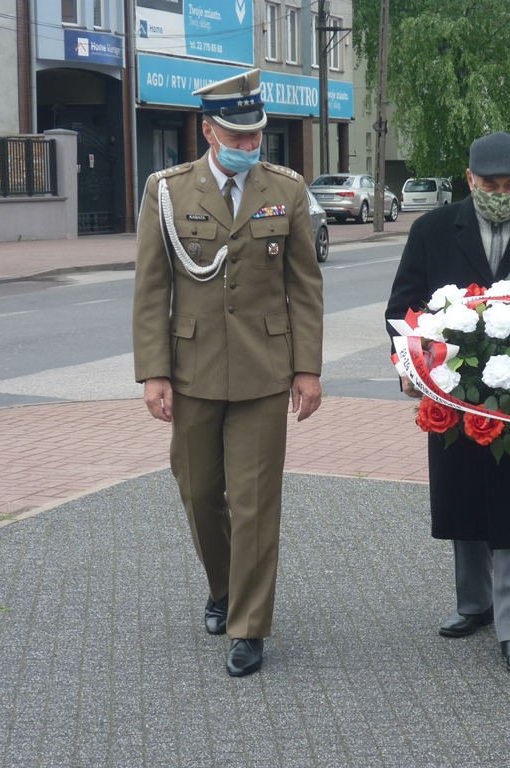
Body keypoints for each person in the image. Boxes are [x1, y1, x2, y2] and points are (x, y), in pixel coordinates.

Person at [132, 68, 324, 677]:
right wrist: (154, 373)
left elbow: (305, 287)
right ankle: (222, 585)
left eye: (256, 138)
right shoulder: (167, 190)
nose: (249, 148)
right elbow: (151, 287)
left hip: (266, 371)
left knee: (255, 503)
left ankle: (247, 626)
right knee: (197, 492)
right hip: (192, 370)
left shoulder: (287, 190)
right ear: (209, 131)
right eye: (237, 139)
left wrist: (307, 369)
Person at [385, 131, 510, 675]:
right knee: (464, 497)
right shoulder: (430, 231)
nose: (500, 192)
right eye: (489, 184)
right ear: (469, 180)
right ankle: (474, 603)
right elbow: (403, 308)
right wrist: (410, 366)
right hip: (453, 395)